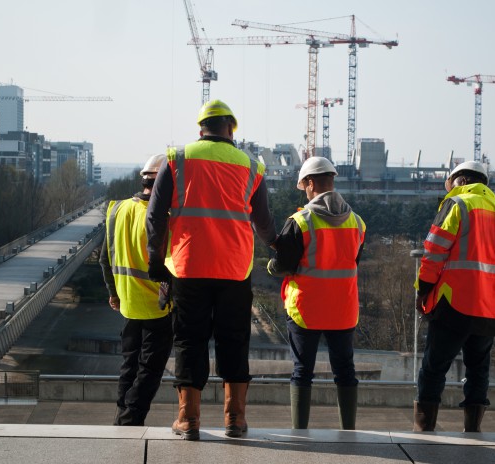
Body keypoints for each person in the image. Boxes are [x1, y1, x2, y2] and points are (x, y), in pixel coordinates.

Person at [145, 99, 277, 441]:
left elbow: (155, 218)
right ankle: (235, 420)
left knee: (190, 339)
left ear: (201, 128)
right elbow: (263, 224)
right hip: (234, 269)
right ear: (231, 128)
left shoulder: (177, 158)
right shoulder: (251, 165)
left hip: (189, 267)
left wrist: (156, 261)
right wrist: (282, 248)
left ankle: (188, 421)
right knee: (234, 340)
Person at [413, 160, 495, 432]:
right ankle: (473, 430)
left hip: (455, 304)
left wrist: (422, 291)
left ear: (459, 181)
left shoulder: (457, 206)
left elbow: (433, 253)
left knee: (434, 366)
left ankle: (424, 428)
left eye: (448, 184)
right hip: (491, 308)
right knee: (478, 369)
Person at [267, 156, 366, 430]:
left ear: (310, 183)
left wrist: (271, 265)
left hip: (306, 310)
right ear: (332, 181)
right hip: (343, 310)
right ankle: (349, 431)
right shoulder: (357, 223)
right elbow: (352, 263)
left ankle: (300, 432)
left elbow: (283, 265)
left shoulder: (301, 221)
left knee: (302, 372)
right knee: (345, 371)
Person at [99, 154, 174, 426]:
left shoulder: (116, 210)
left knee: (129, 367)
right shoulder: (163, 218)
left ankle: (122, 415)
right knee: (149, 371)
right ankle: (129, 420)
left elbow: (105, 258)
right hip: (158, 308)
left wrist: (113, 292)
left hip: (128, 305)